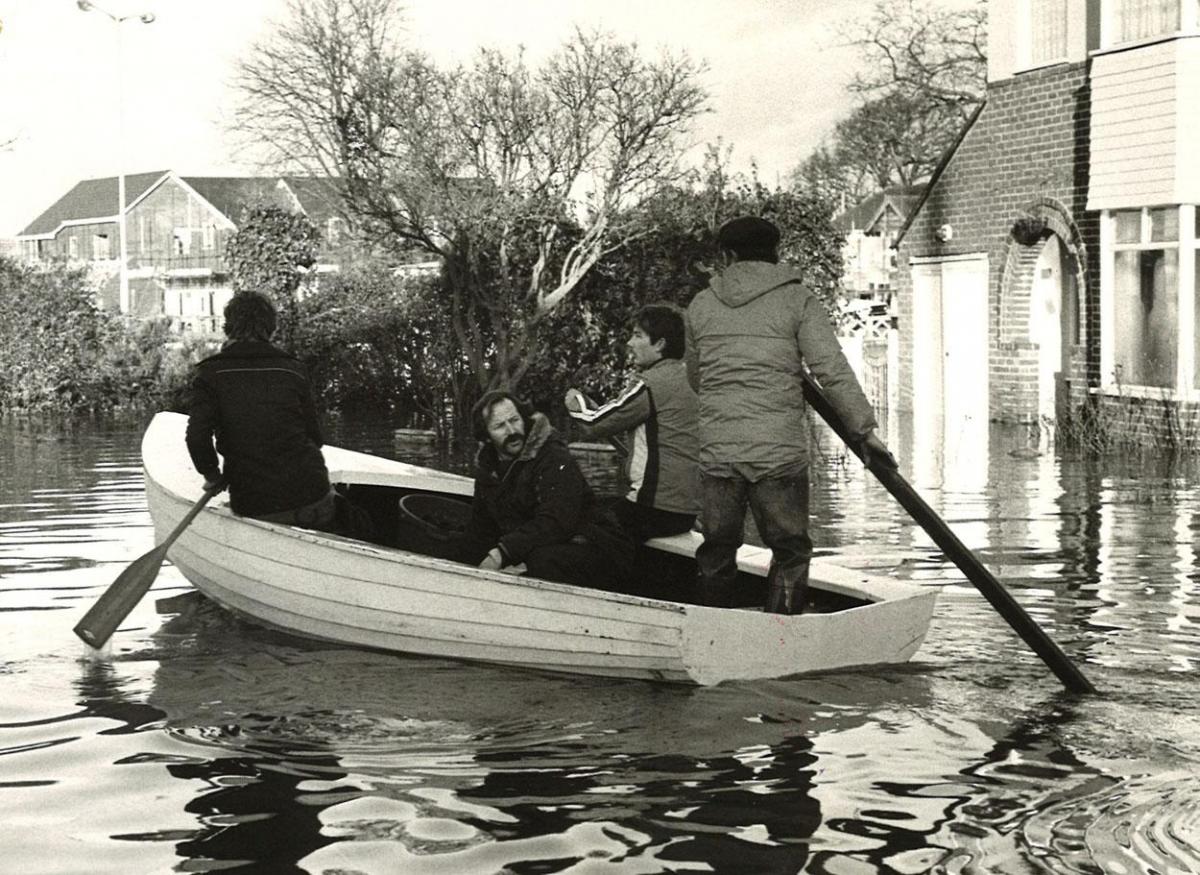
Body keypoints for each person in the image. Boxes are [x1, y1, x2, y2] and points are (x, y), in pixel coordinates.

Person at [685, 216, 895, 614]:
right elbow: (831, 371)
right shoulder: (797, 300)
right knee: (789, 551)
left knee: (716, 551)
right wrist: (864, 430)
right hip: (778, 452)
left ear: (726, 256)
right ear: (775, 253)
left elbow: (698, 378)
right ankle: (783, 636)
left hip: (719, 452)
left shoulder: (701, 304)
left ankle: (713, 633)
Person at [185, 291, 339, 533]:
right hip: (314, 496)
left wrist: (213, 476)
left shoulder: (210, 375)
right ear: (271, 327)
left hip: (258, 502)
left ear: (227, 327)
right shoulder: (294, 370)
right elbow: (316, 437)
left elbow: (197, 437)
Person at [454, 390, 635, 589]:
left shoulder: (553, 456)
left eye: (515, 420)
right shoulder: (488, 470)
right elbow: (481, 527)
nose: (511, 430)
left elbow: (556, 520)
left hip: (597, 546)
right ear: (486, 436)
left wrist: (502, 553)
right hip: (552, 545)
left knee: (543, 560)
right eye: (499, 426)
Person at [563, 303, 699, 542]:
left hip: (653, 509)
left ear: (660, 344)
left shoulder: (651, 383)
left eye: (638, 336)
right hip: (684, 512)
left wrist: (574, 401)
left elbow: (591, 425)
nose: (629, 343)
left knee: (573, 525)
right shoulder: (686, 379)